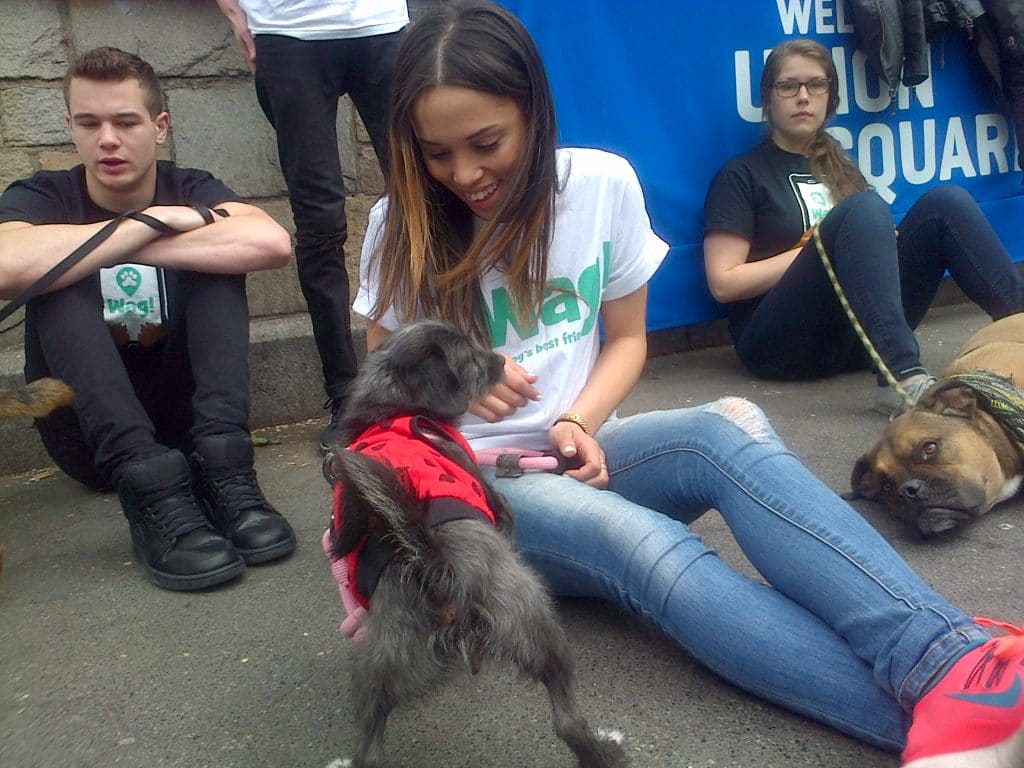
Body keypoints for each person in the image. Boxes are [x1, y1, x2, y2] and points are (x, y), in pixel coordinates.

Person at [347, 4, 1024, 766]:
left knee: (722, 433)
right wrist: (455, 385)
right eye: (437, 154)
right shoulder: (395, 227)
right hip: (472, 499)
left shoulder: (601, 184)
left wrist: (578, 420)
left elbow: (628, 341)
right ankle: (968, 716)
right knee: (646, 543)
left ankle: (951, 659)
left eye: (486, 144)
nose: (465, 174)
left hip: (576, 447)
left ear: (534, 111)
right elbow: (376, 416)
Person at [0, 47, 297, 592]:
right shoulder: (41, 195)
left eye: (126, 122)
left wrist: (125, 240)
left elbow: (271, 242)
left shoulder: (191, 186)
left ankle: (227, 472)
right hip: (94, 444)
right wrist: (150, 225)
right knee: (58, 282)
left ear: (160, 127)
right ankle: (151, 492)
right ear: (70, 127)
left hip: (192, 433)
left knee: (220, 265)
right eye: (89, 123)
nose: (107, 139)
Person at [703, 38, 1024, 420]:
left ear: (830, 97)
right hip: (781, 347)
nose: (803, 97)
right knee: (865, 208)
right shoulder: (742, 175)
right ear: (768, 99)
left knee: (946, 203)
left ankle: (1018, 329)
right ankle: (901, 380)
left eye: (816, 85)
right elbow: (724, 283)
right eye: (788, 86)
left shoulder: (841, 167)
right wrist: (817, 248)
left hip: (859, 339)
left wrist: (874, 243)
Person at [215, 0, 409, 451]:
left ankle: (441, 373)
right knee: (319, 222)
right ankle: (345, 396)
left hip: (380, 24)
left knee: (424, 202)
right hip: (287, 28)